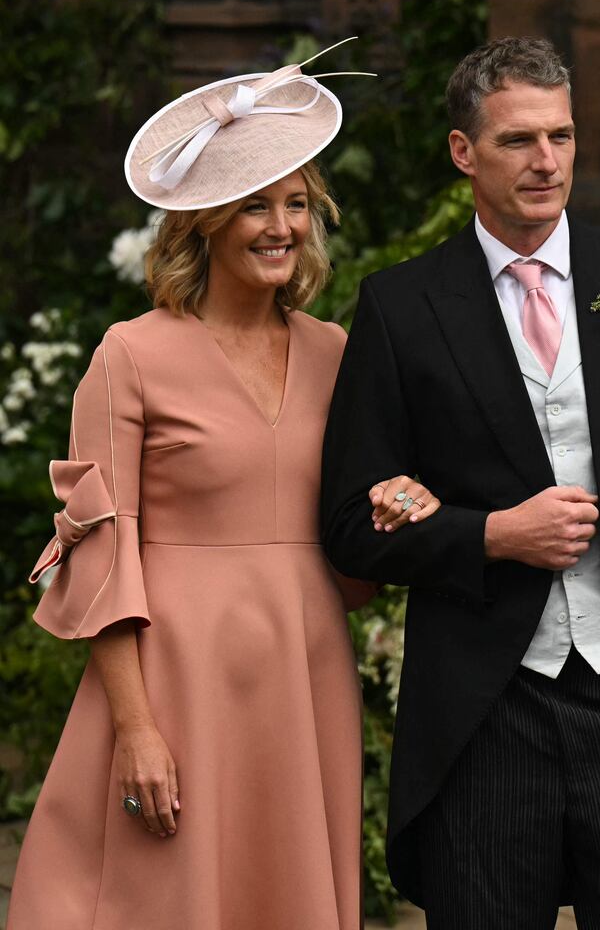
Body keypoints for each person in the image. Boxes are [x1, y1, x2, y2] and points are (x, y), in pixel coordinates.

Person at [321, 36, 600, 929]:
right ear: (462, 151)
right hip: (487, 709)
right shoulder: (401, 307)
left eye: (560, 135)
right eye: (518, 140)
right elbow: (352, 524)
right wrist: (490, 536)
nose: (546, 161)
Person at [8, 46, 438, 930]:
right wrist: (135, 728)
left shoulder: (334, 354)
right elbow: (97, 559)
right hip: (175, 685)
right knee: (160, 898)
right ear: (203, 221)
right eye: (253, 206)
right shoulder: (130, 356)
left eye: (294, 206)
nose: (279, 227)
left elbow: (349, 555)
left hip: (302, 677)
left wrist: (399, 511)